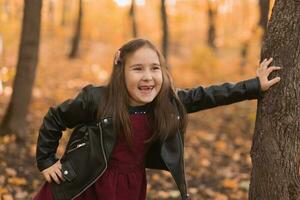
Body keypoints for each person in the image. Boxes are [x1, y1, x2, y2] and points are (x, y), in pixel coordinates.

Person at [33, 38, 281, 200]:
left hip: (128, 188)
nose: (148, 77)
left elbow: (208, 95)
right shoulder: (97, 99)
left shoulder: (165, 103)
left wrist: (253, 86)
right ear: (121, 72)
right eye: (137, 69)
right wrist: (46, 160)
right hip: (85, 184)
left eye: (154, 68)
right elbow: (55, 117)